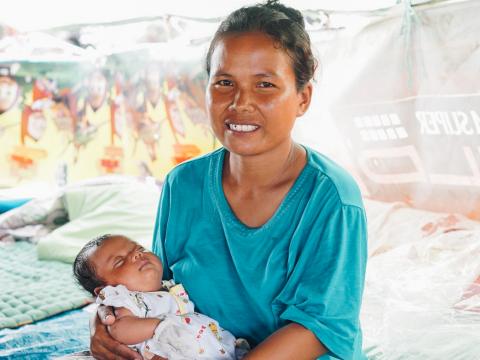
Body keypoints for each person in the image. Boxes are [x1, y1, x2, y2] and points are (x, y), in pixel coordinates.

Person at [91, 1, 368, 359]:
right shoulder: (183, 184)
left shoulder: (330, 199)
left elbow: (318, 327)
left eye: (265, 84)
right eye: (224, 82)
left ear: (303, 97)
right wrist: (105, 326)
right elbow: (156, 289)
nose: (240, 102)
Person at [74, 234, 249, 359]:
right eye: (120, 261)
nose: (137, 254)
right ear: (105, 290)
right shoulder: (126, 298)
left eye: (139, 248)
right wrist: (161, 326)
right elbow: (120, 329)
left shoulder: (169, 287)